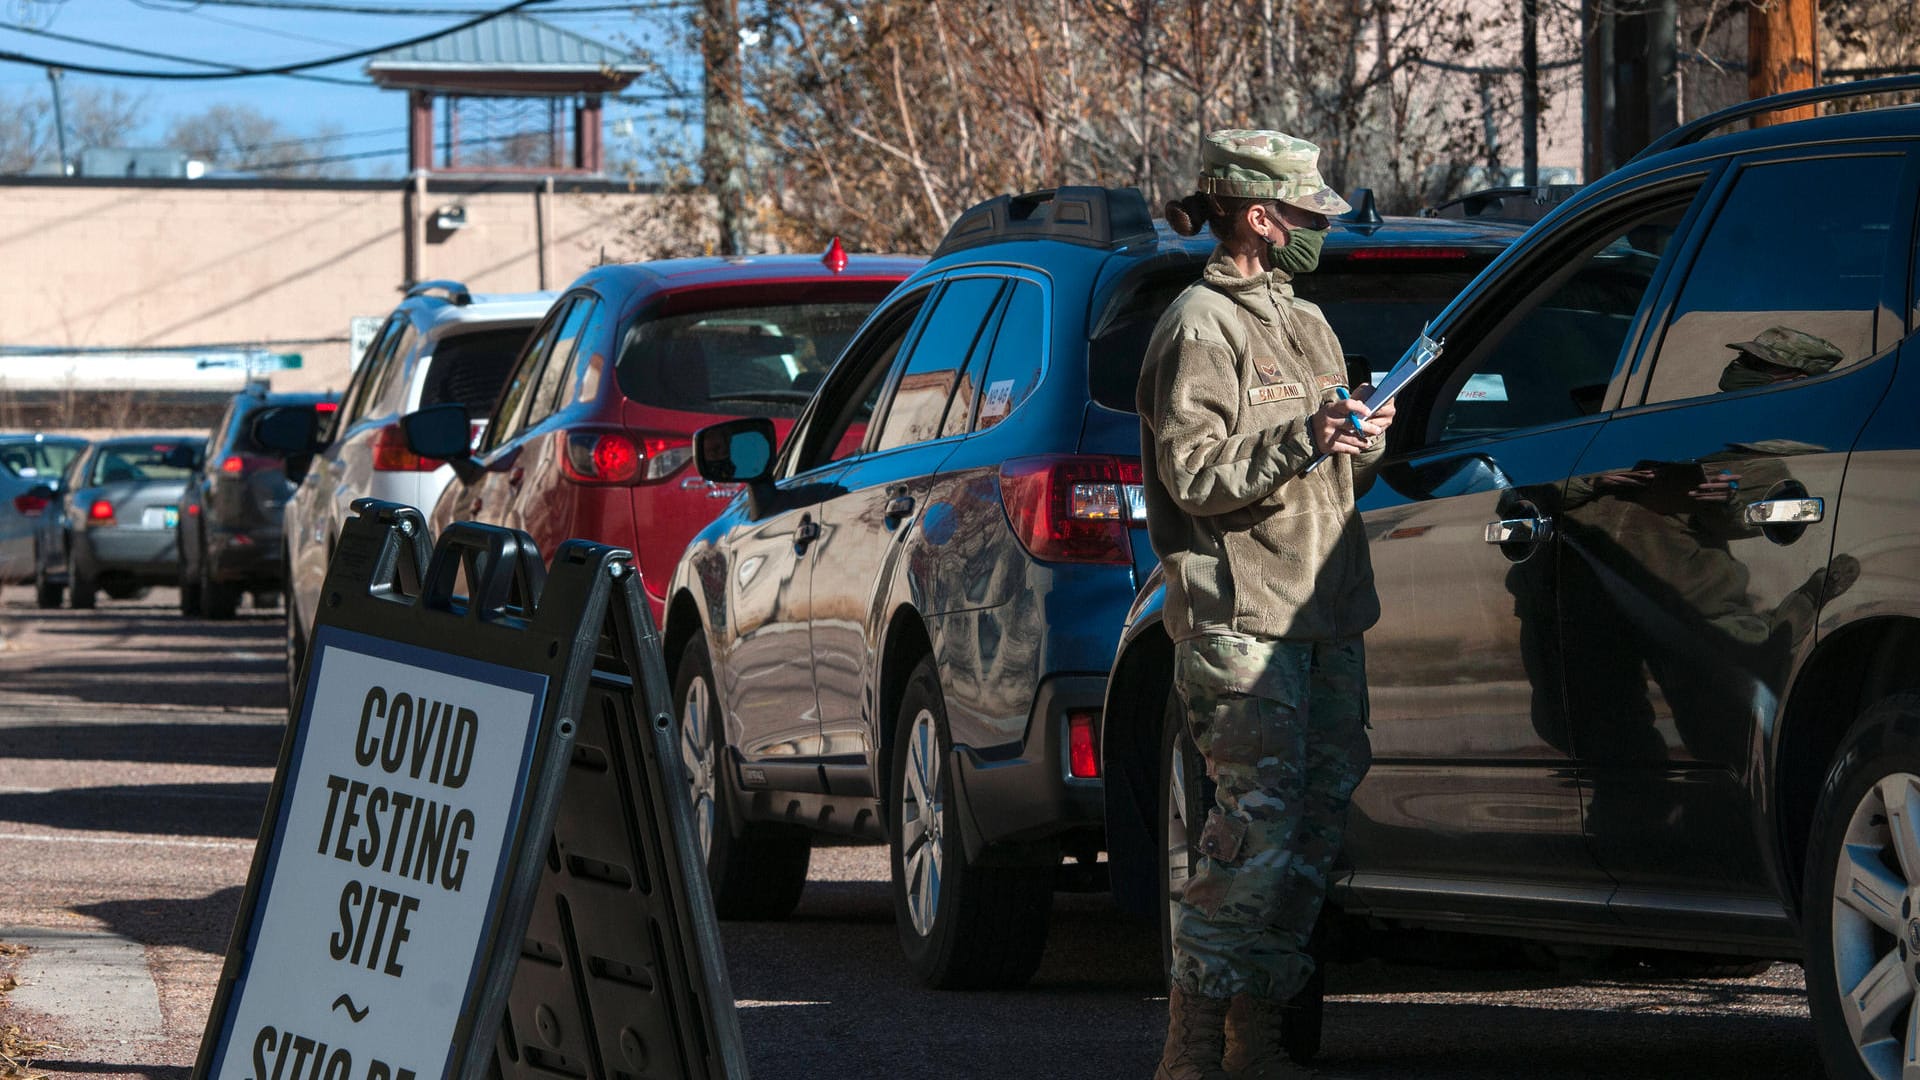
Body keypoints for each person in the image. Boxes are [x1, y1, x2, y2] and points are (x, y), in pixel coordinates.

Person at [1138, 129, 1394, 1080]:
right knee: (1252, 833)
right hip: (1243, 624)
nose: (1318, 228)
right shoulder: (1200, 325)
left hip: (1322, 613)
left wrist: (1361, 433)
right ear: (1260, 215)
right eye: (1308, 212)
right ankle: (1191, 1051)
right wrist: (1303, 434)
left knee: (1314, 833)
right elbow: (1196, 474)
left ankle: (1257, 1045)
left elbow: (1337, 464)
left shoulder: (1307, 320)